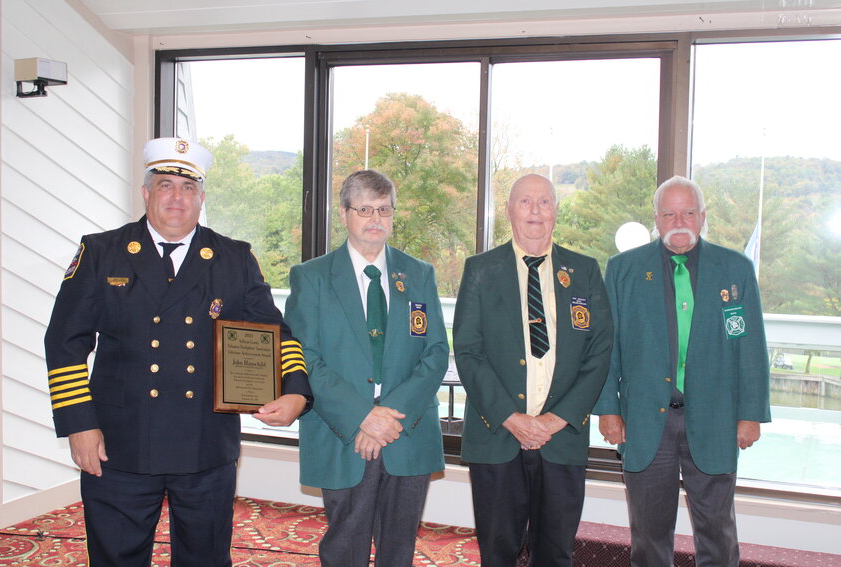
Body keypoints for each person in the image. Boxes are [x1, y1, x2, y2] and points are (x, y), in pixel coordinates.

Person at [44, 137, 312, 566]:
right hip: (117, 442)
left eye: (188, 188)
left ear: (201, 199)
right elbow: (64, 343)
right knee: (116, 556)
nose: (176, 197)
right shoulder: (101, 252)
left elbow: (274, 334)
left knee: (204, 557)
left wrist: (296, 392)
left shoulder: (233, 257)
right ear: (146, 192)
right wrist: (79, 424)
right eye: (166, 185)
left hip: (204, 444)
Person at [593, 175, 771, 566]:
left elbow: (751, 347)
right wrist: (608, 409)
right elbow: (607, 347)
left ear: (702, 216)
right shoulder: (623, 270)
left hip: (715, 420)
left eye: (688, 212)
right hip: (644, 422)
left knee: (717, 533)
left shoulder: (734, 269)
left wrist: (751, 414)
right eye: (669, 213)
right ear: (656, 218)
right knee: (649, 535)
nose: (679, 221)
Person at [285, 169, 448, 567]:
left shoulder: (419, 274)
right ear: (344, 214)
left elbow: (437, 353)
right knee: (345, 548)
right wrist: (363, 417)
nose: (376, 219)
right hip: (343, 433)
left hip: (405, 432)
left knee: (399, 550)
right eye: (364, 209)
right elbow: (305, 356)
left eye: (384, 210)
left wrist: (387, 416)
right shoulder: (311, 277)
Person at [453, 173, 613, 566]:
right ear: (509, 211)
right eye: (525, 202)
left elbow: (600, 351)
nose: (535, 211)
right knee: (498, 552)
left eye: (544, 202)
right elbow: (469, 352)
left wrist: (556, 420)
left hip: (562, 439)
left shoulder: (585, 271)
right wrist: (513, 418)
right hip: (497, 438)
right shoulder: (480, 270)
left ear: (556, 210)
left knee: (556, 554)